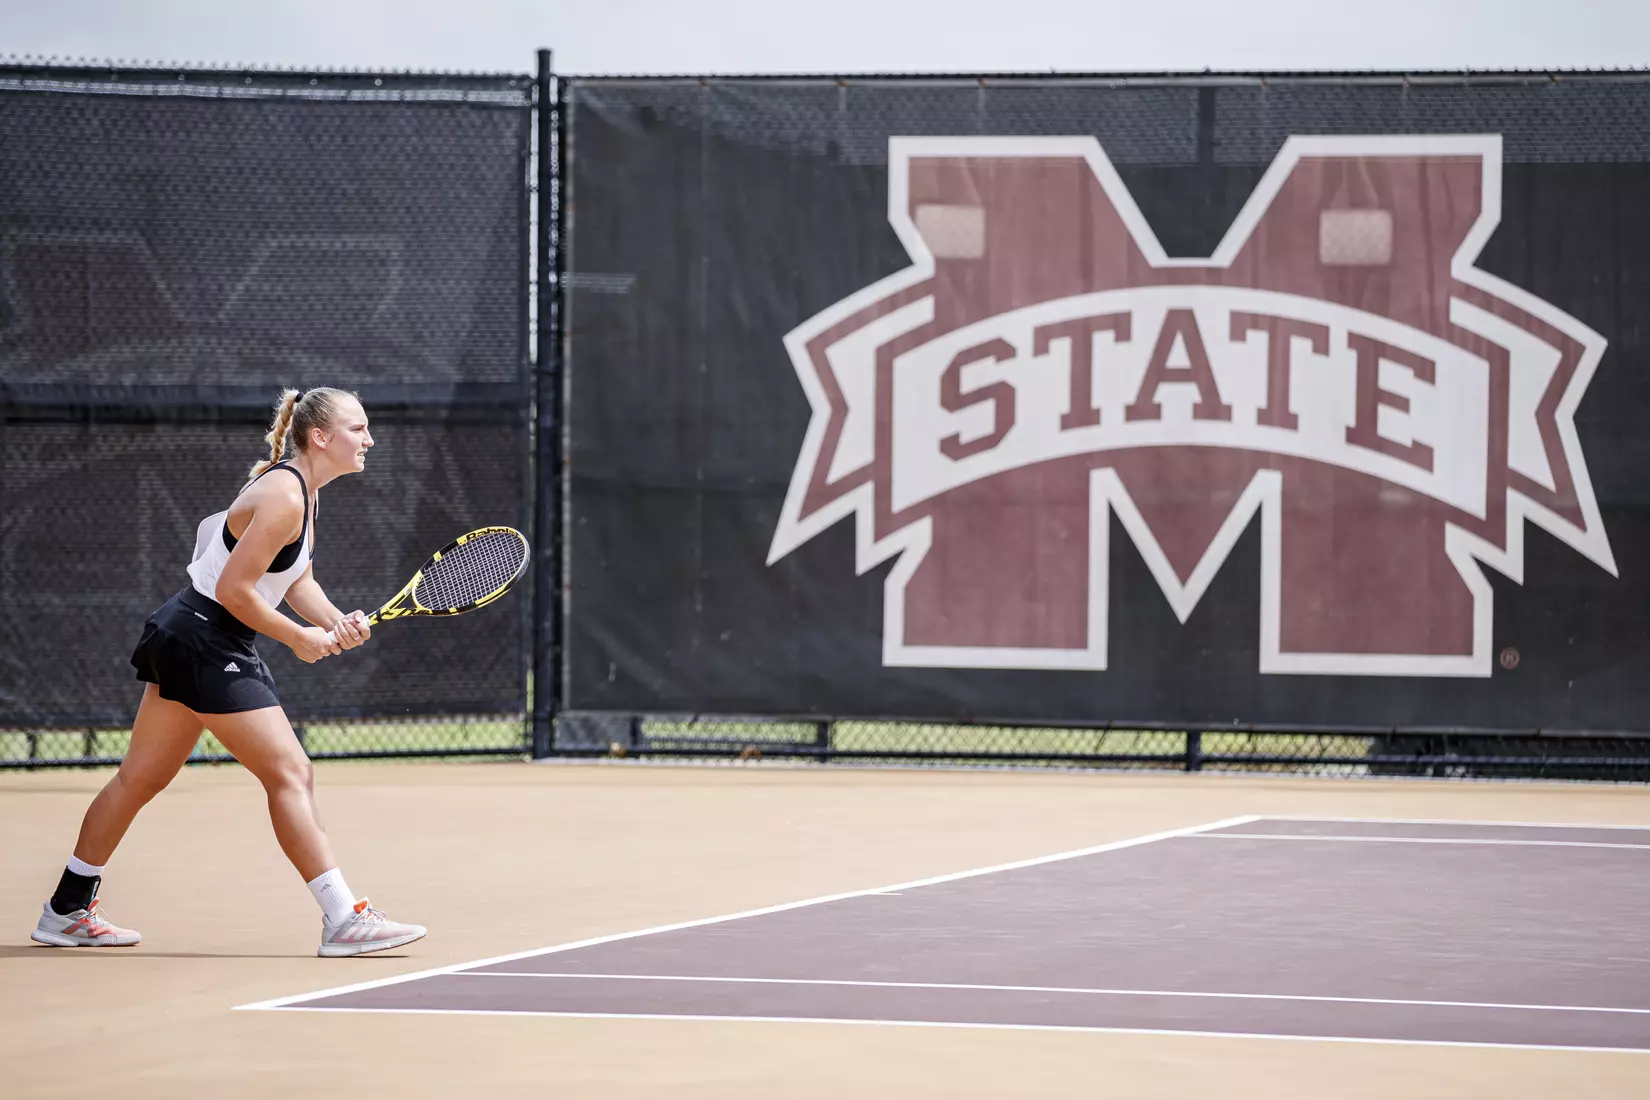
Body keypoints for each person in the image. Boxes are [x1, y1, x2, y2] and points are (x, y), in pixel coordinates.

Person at [30, 388, 426, 958]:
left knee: (139, 778)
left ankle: (66, 907)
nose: (370, 439)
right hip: (205, 637)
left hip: (189, 632)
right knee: (291, 772)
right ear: (321, 437)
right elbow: (234, 590)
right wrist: (298, 638)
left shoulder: (303, 492)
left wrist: (336, 622)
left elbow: (295, 581)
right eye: (358, 428)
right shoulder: (285, 495)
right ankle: (344, 919)